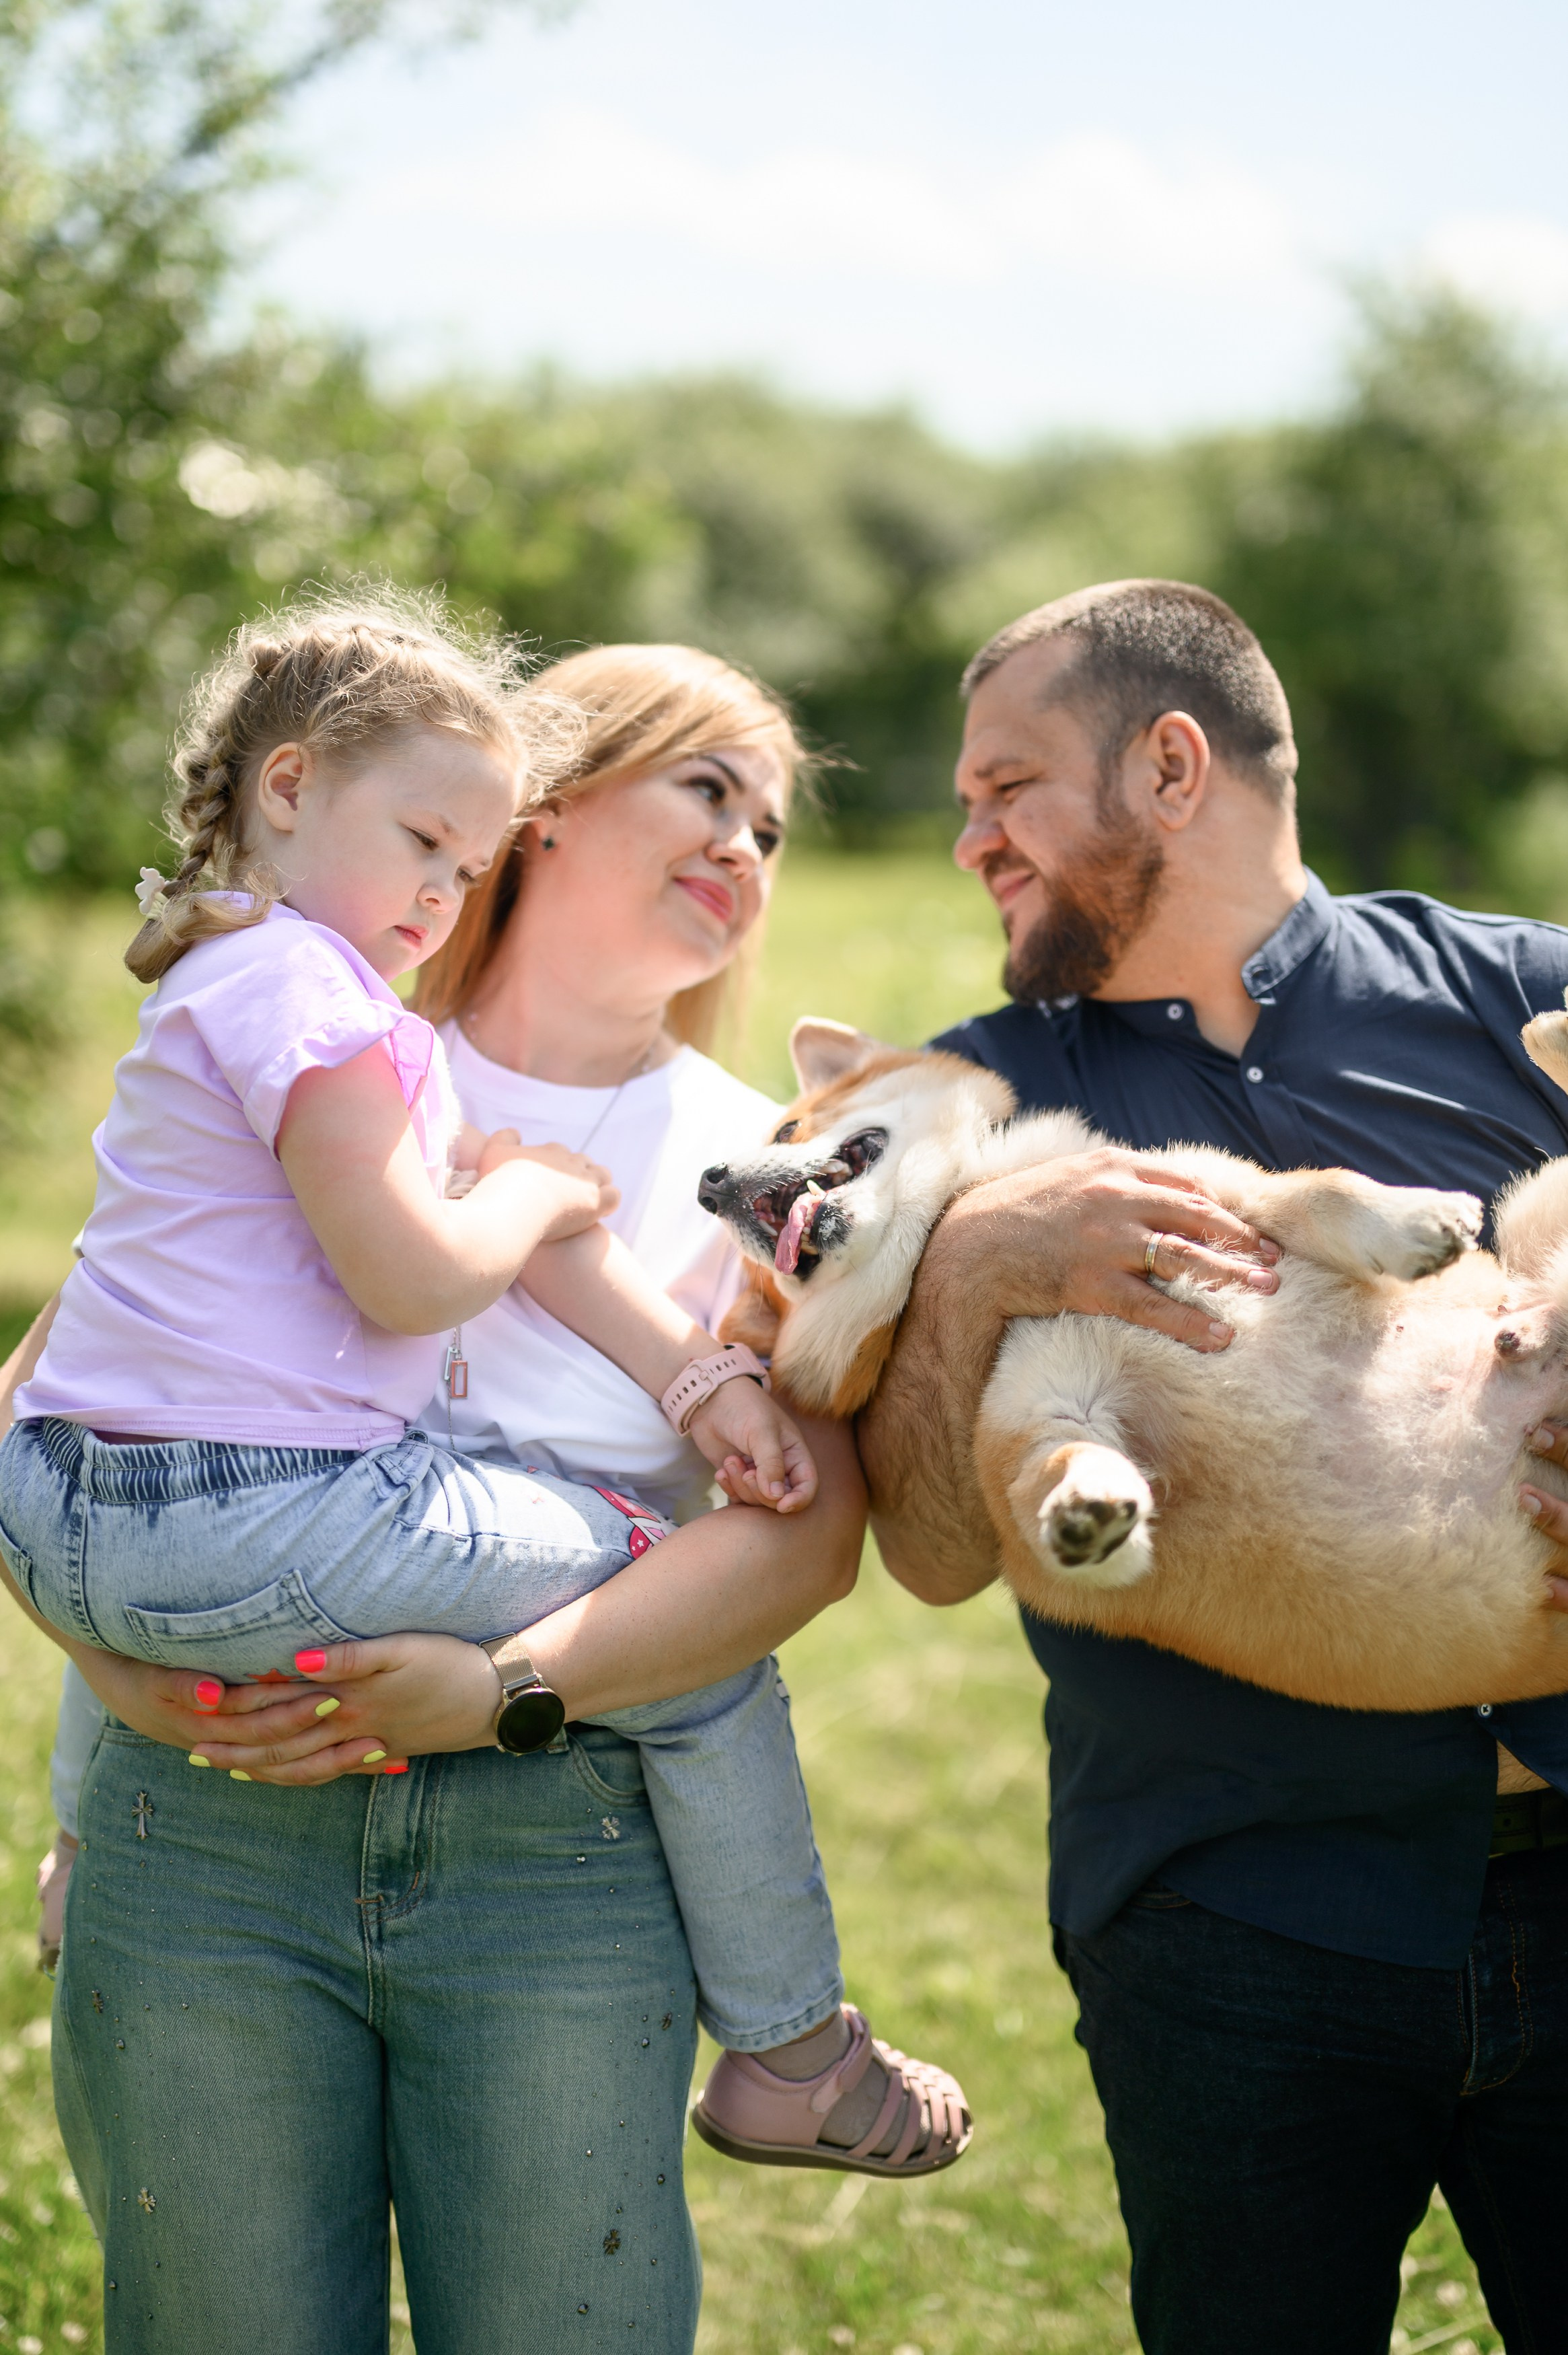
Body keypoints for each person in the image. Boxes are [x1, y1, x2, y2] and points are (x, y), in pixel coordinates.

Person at [0, 625, 959, 2355]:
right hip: (206, 1822)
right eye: (707, 787)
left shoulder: (759, 1153)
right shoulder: (337, 1045)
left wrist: (505, 1692)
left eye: (773, 827)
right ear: (543, 806)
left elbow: (806, 1528)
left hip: (554, 1845)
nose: (747, 845)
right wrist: (109, 1672)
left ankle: (780, 2039)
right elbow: (73, 1393)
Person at [856, 579, 1568, 2355]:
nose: (967, 841)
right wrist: (969, 1269)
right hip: (1229, 1910)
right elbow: (935, 1549)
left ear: (1169, 767)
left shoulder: (1520, 998)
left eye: (1006, 786)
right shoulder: (976, 1104)